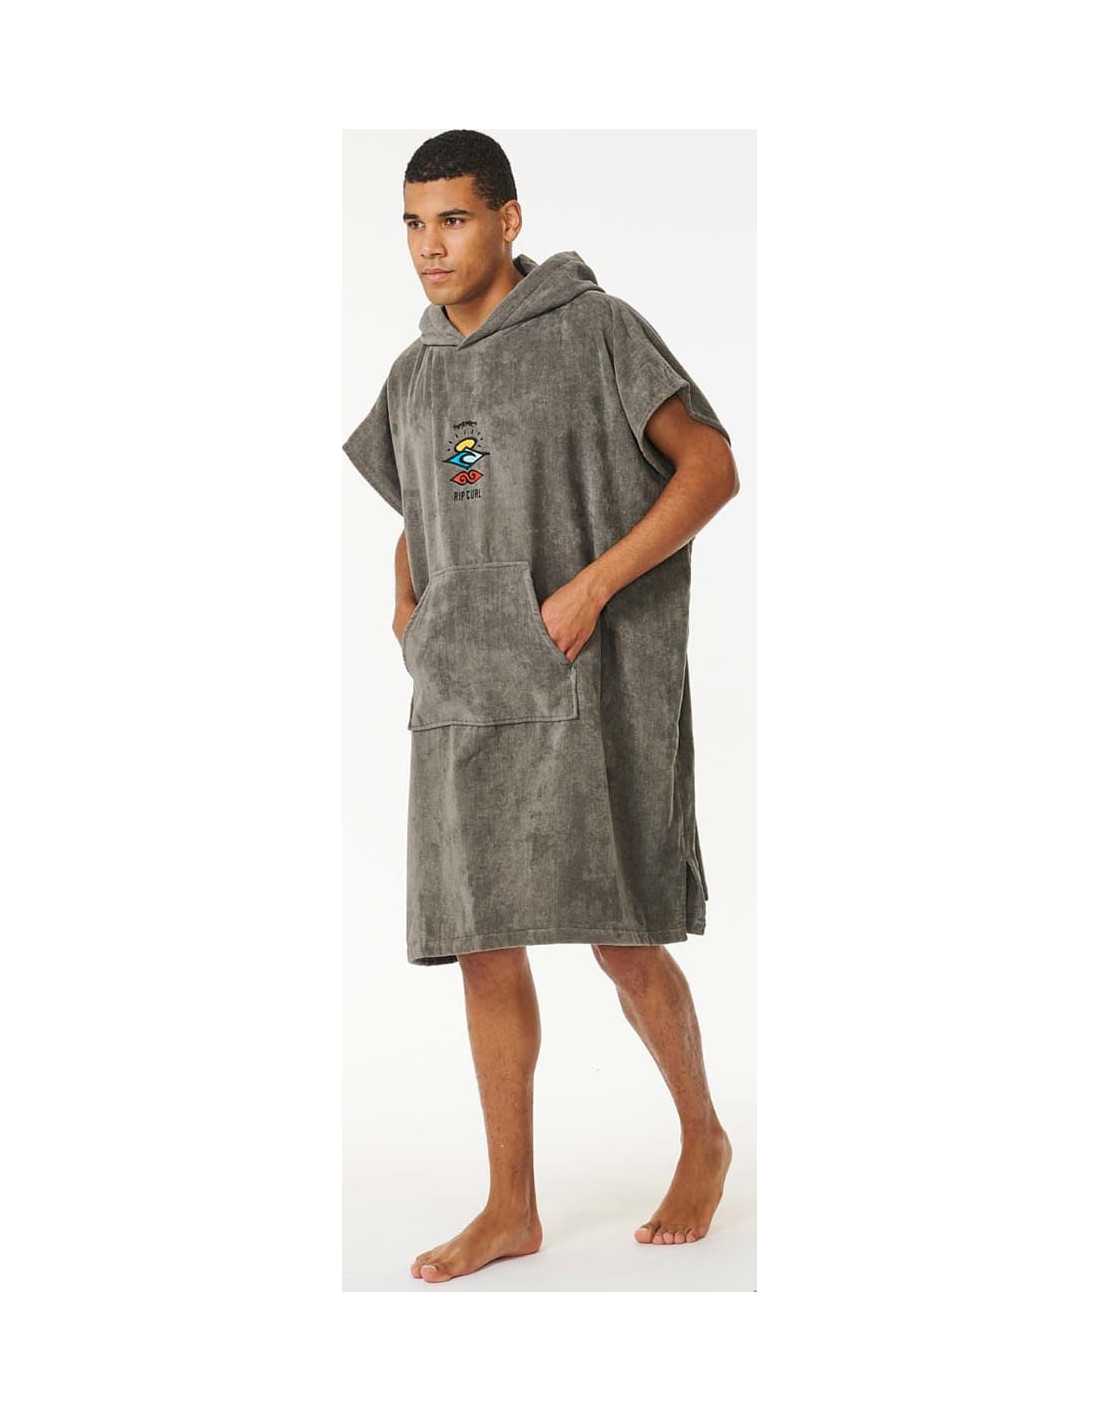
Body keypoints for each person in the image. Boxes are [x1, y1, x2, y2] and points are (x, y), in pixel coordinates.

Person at [343, 130, 741, 1283]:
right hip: (464, 688)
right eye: (413, 223)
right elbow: (422, 499)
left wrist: (592, 586)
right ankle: (508, 1206)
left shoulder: (594, 329)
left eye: (453, 219)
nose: (429, 246)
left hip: (583, 675)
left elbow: (709, 467)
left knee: (621, 936)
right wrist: (405, 598)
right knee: (482, 942)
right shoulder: (414, 371)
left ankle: (703, 1138)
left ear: (507, 220)